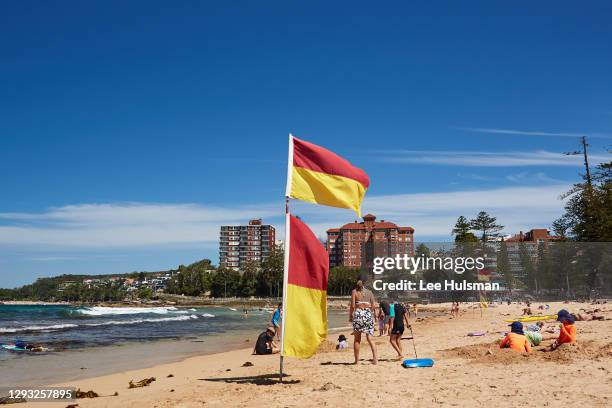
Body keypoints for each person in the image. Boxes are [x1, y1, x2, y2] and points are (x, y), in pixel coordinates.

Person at [349, 280, 378, 365]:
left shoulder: (354, 291)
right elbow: (373, 305)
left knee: (357, 339)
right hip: (367, 314)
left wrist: (350, 316)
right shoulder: (370, 292)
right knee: (370, 338)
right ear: (364, 285)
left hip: (358, 314)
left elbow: (353, 306)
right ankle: (375, 360)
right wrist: (368, 312)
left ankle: (357, 361)